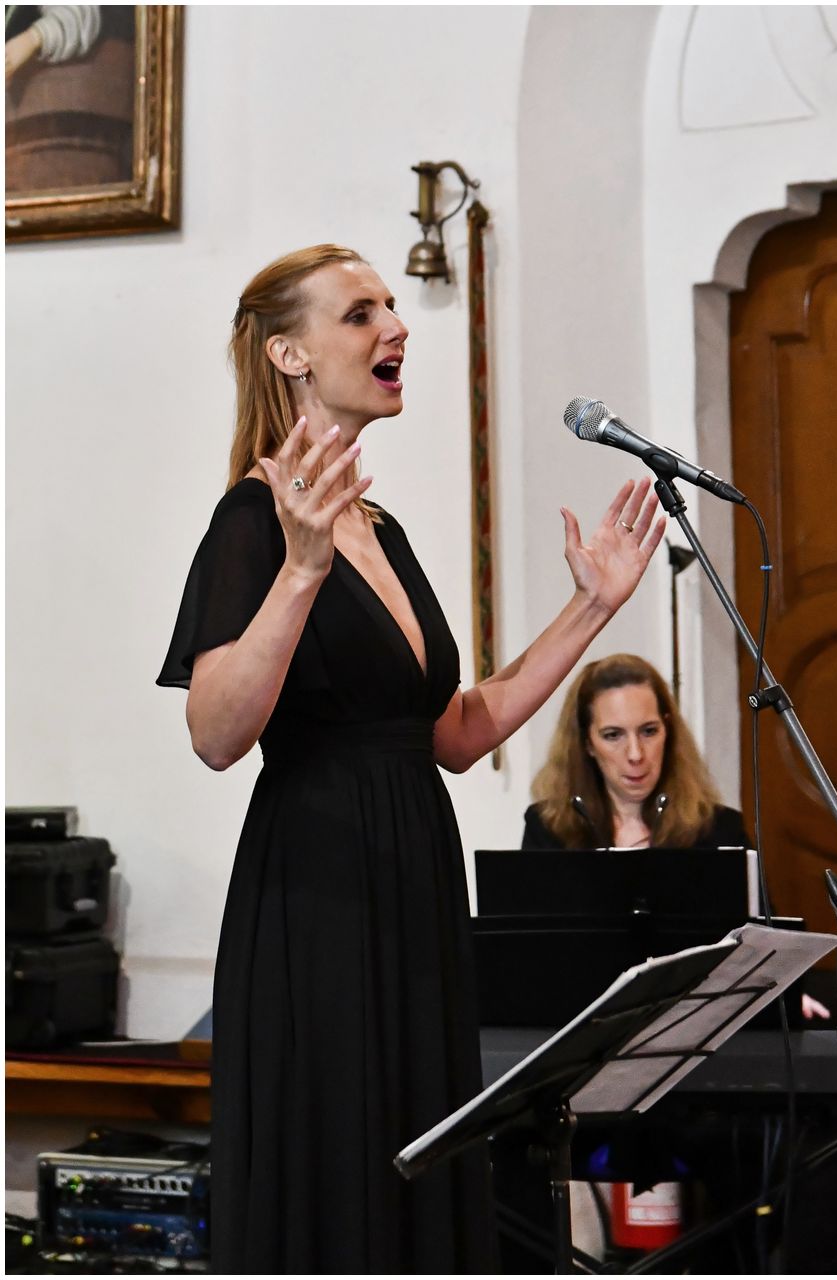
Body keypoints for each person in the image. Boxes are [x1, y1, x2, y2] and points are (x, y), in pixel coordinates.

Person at [156, 244, 666, 1274]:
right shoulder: (252, 518)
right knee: (336, 1158)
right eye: (361, 313)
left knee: (417, 1154)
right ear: (290, 353)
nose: (395, 327)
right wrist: (301, 571)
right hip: (318, 887)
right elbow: (216, 733)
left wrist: (592, 607)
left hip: (414, 878)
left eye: (393, 306)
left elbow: (457, 731)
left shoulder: (379, 526)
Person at [523, 652, 830, 1019]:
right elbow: (533, 959)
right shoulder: (548, 829)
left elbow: (764, 944)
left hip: (698, 1024)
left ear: (668, 731)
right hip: (579, 1021)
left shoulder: (719, 828)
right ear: (587, 743)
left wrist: (783, 995)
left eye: (648, 731)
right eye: (613, 735)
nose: (635, 754)